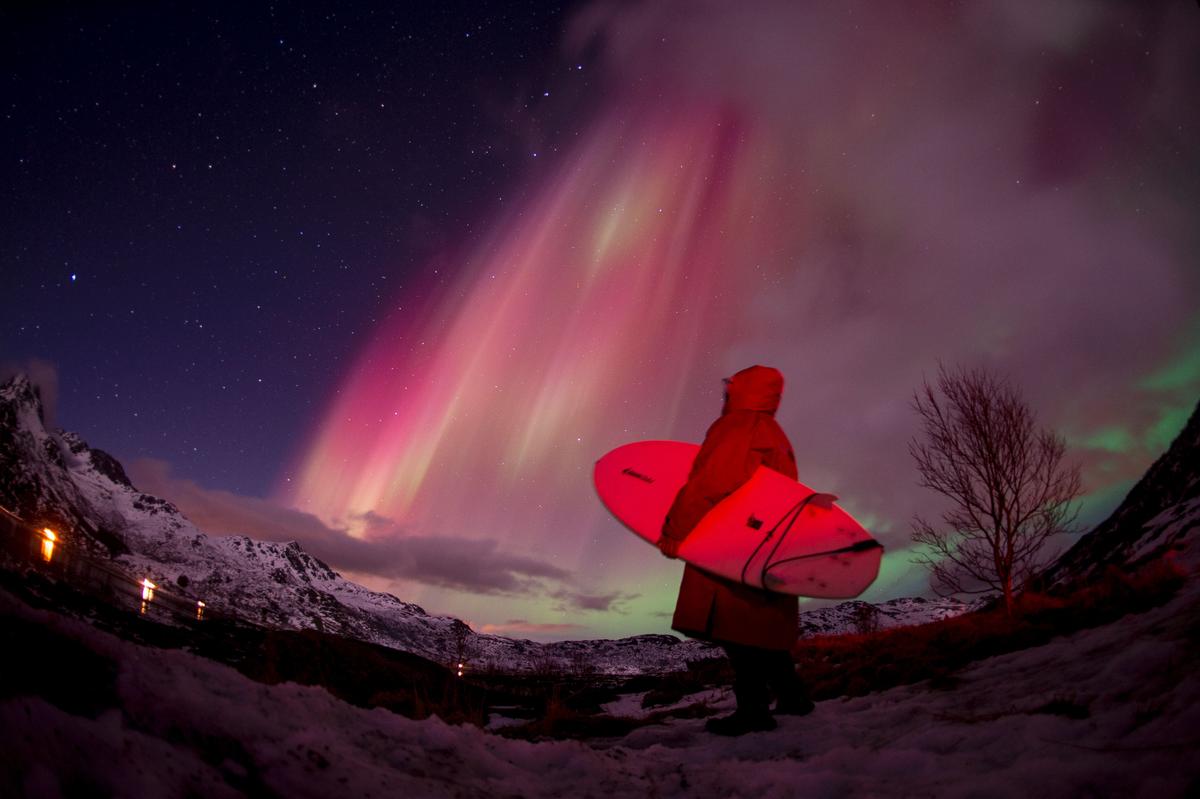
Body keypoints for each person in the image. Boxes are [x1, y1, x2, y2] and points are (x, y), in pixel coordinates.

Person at [658, 365, 814, 735]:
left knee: (736, 630)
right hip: (767, 542)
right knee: (760, 625)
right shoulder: (774, 432)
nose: (724, 396)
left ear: (740, 392)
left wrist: (675, 533)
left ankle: (754, 712)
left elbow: (709, 484)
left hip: (730, 543)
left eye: (729, 391)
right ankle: (792, 695)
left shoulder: (736, 427)